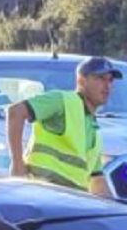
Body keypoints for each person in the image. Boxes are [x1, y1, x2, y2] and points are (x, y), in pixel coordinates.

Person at [6, 56, 120, 195]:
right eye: (101, 78)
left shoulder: (94, 131)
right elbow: (15, 112)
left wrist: (116, 210)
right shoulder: (62, 101)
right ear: (82, 81)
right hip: (41, 194)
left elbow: (97, 181)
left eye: (110, 80)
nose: (107, 85)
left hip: (68, 204)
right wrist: (17, 165)